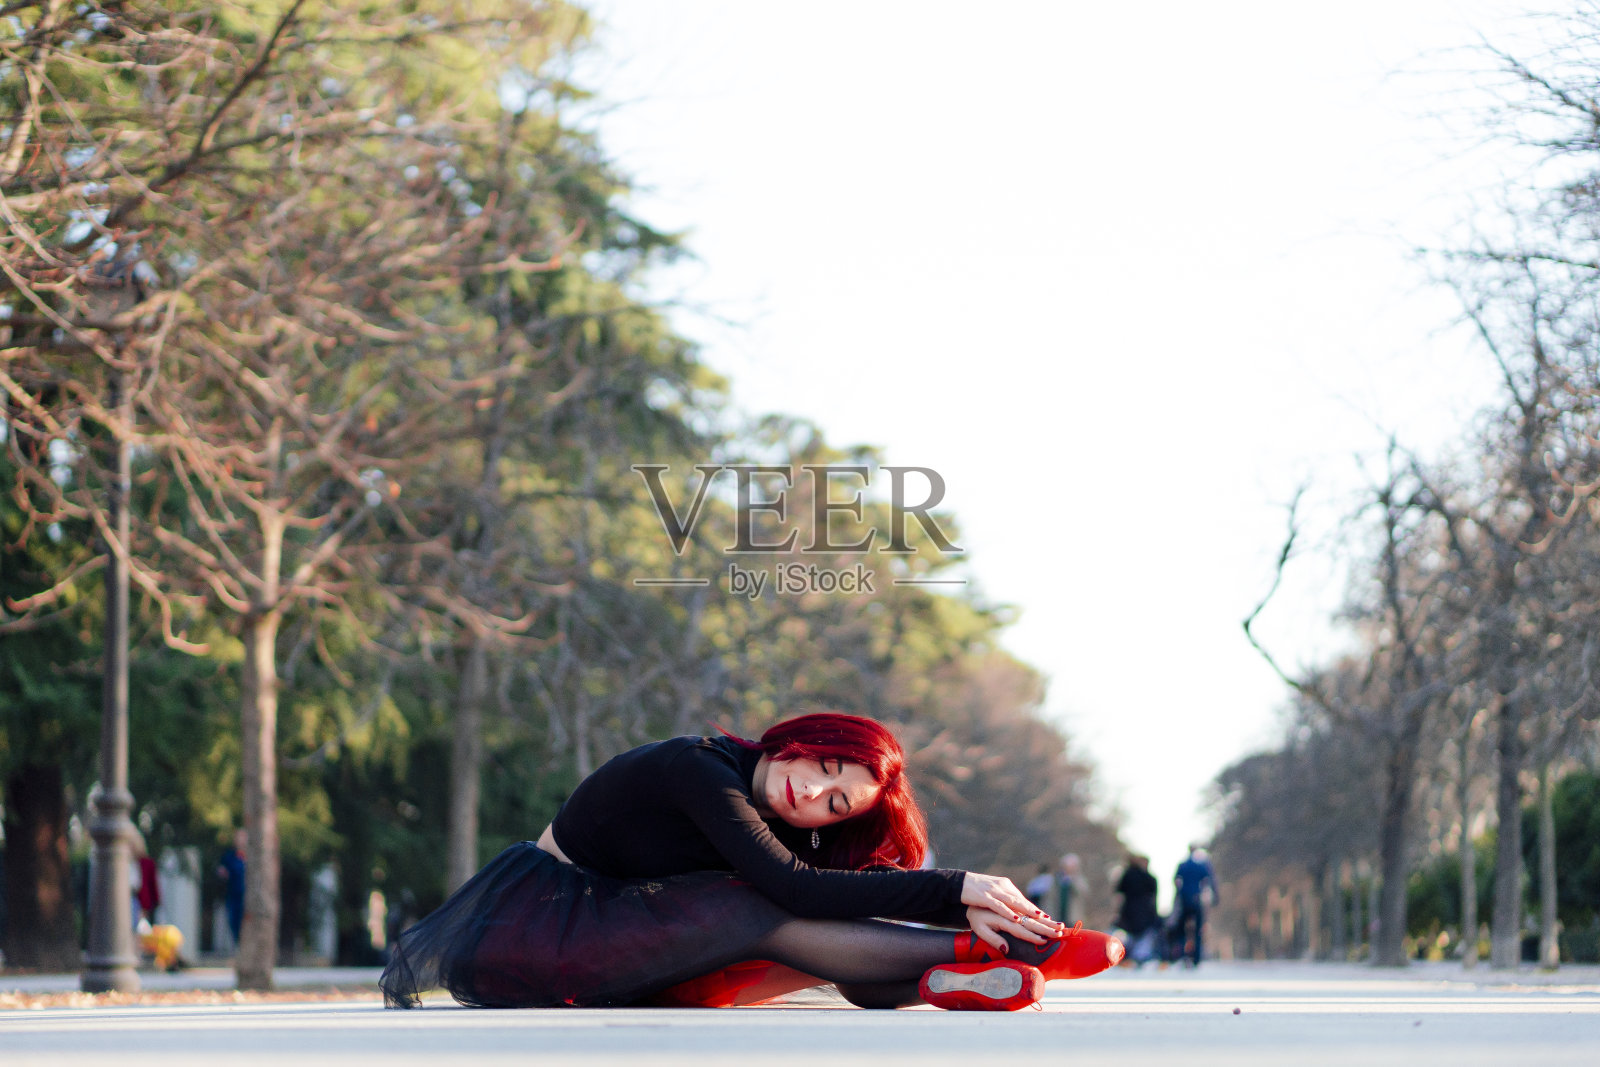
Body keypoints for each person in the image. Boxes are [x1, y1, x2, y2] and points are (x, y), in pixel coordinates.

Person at [381, 713, 1124, 1011]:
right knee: (758, 905)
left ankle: (941, 980)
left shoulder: (776, 816)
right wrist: (960, 890)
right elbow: (785, 887)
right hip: (538, 937)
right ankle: (1011, 947)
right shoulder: (700, 769)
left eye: (837, 803)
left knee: (812, 920)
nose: (814, 791)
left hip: (629, 947)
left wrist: (931, 891)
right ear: (803, 734)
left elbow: (822, 885)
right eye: (827, 763)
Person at [1172, 844, 1218, 967]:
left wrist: (1179, 894)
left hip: (1184, 901)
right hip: (1196, 900)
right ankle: (1196, 959)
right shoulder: (1201, 866)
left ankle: (1182, 956)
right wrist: (1214, 896)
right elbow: (1210, 880)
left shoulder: (1183, 865)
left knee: (1182, 930)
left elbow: (1176, 880)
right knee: (1197, 930)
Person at [1112, 854, 1160, 965]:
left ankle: (1127, 957)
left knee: (1130, 936)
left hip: (1130, 910)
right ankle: (1136, 957)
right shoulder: (1150, 878)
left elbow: (1119, 894)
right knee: (1139, 936)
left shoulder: (1128, 875)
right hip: (1143, 911)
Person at [216, 829, 247, 949]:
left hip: (248, 897)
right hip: (234, 895)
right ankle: (239, 947)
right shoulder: (229, 856)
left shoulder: (253, 857)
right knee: (234, 922)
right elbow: (221, 871)